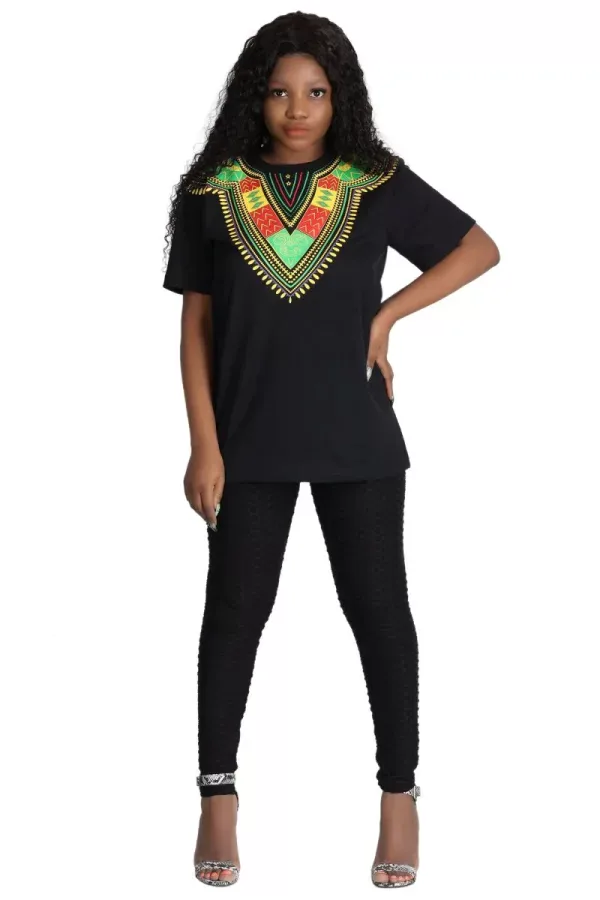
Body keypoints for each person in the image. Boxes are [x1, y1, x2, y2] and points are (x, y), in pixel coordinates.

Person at [162, 11, 499, 890]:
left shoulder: (373, 182)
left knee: (379, 613)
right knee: (234, 617)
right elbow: (196, 327)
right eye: (279, 92)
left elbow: (478, 249)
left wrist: (386, 318)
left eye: (316, 91)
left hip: (357, 433)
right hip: (246, 439)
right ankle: (217, 797)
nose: (298, 109)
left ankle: (399, 798)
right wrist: (203, 445)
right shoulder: (212, 191)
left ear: (339, 95)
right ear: (254, 97)